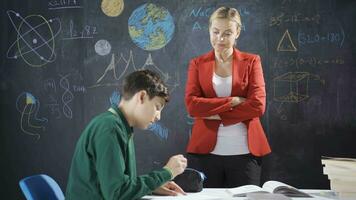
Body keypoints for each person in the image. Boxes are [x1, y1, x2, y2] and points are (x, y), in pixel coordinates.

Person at [66, 69, 187, 200]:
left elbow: (119, 186)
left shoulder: (119, 126)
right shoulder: (110, 128)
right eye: (157, 107)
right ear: (141, 97)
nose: (158, 116)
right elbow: (117, 193)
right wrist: (167, 173)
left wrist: (152, 186)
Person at [185, 7, 271, 188]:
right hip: (206, 153)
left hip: (246, 152)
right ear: (209, 30)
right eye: (215, 32)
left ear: (237, 32)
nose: (220, 39)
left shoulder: (252, 61)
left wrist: (216, 114)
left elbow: (258, 106)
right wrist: (232, 101)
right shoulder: (197, 64)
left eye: (227, 33)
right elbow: (192, 106)